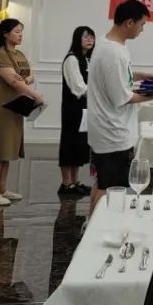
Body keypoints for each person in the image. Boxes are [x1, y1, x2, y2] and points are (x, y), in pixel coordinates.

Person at [87, 0, 153, 211]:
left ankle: (91, 222)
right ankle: (99, 227)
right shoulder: (113, 53)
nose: (142, 30)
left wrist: (141, 75)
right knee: (110, 187)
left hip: (105, 128)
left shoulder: (107, 43)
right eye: (142, 24)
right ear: (129, 22)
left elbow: (119, 77)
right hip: (113, 131)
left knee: (102, 181)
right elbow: (123, 97)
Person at [0, 19, 44, 206]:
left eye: (21, 31)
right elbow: (14, 81)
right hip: (1, 108)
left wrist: (26, 80)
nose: (20, 35)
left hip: (15, 108)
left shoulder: (19, 54)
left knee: (7, 150)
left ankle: (2, 189)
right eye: (17, 31)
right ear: (5, 34)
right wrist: (35, 94)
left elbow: (28, 76)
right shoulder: (0, 55)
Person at [58, 26, 95, 198]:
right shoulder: (72, 59)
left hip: (85, 107)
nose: (89, 40)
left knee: (80, 144)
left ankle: (75, 181)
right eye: (86, 37)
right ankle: (66, 184)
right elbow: (78, 87)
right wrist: (99, 96)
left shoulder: (87, 59)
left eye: (92, 37)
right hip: (73, 108)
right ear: (77, 38)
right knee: (69, 143)